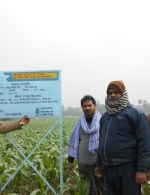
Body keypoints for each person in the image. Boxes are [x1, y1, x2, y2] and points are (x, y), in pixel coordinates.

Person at [95, 80, 150, 195]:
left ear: (123, 93)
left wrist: (141, 169)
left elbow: (144, 143)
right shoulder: (105, 116)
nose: (112, 95)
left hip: (128, 167)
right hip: (108, 167)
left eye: (116, 92)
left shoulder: (135, 114)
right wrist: (99, 164)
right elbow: (101, 142)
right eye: (110, 93)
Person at [67, 95, 106, 195]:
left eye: (90, 105)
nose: (87, 108)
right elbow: (74, 142)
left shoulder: (102, 122)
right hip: (83, 163)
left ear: (95, 106)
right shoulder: (79, 123)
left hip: (100, 163)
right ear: (82, 108)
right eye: (85, 106)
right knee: (87, 190)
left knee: (103, 189)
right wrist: (70, 162)